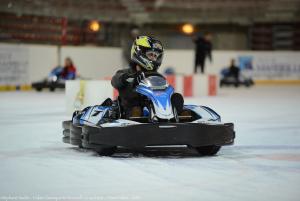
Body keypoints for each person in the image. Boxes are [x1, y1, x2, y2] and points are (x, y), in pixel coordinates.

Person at [111, 36, 183, 118]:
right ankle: (139, 115)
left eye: (155, 56)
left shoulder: (158, 77)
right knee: (136, 109)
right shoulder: (126, 73)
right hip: (130, 111)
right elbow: (115, 81)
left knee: (177, 98)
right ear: (139, 53)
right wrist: (127, 78)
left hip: (154, 108)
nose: (153, 58)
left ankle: (175, 115)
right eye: (150, 54)